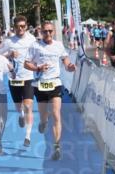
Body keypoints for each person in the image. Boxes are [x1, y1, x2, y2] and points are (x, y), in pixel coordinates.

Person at [24, 21, 77, 161]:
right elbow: (26, 63)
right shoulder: (35, 46)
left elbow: (65, 60)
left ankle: (57, 146)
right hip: (40, 84)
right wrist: (37, 68)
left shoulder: (59, 45)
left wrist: (70, 66)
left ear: (54, 32)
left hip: (55, 82)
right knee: (44, 117)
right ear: (41, 32)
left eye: (50, 31)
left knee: (56, 114)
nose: (48, 34)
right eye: (45, 31)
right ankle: (43, 122)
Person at [0, 16, 37, 146]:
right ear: (14, 27)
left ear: (26, 26)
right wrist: (9, 55)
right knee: (18, 106)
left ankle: (27, 136)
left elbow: (38, 54)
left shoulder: (32, 40)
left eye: (22, 26)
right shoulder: (8, 41)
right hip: (14, 77)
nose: (20, 29)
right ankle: (20, 115)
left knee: (28, 106)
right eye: (18, 26)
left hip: (28, 77)